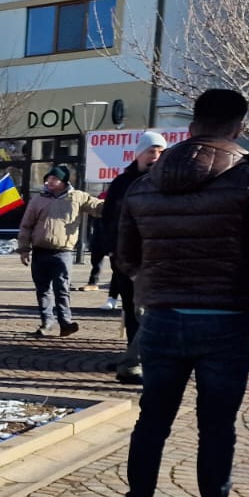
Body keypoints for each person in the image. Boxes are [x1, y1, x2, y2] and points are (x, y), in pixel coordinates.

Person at [116, 87, 249, 497]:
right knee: (216, 423)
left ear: (191, 127)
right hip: (224, 315)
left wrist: (156, 281)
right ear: (238, 127)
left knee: (152, 415)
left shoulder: (145, 182)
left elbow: (126, 257)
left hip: (161, 315)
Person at [101, 131, 168, 384]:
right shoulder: (122, 183)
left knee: (148, 311)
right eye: (151, 151)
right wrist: (111, 249)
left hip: (155, 257)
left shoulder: (167, 182)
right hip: (124, 257)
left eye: (161, 152)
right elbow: (109, 219)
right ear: (139, 153)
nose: (156, 156)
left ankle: (139, 360)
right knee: (131, 310)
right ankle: (133, 353)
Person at [17, 165, 99, 336]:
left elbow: (97, 206)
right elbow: (26, 225)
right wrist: (24, 249)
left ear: (64, 181)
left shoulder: (77, 197)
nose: (50, 182)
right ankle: (46, 323)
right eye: (48, 179)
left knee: (62, 289)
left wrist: (115, 202)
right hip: (40, 252)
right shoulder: (37, 200)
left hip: (63, 252)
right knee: (43, 290)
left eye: (54, 179)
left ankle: (65, 323)